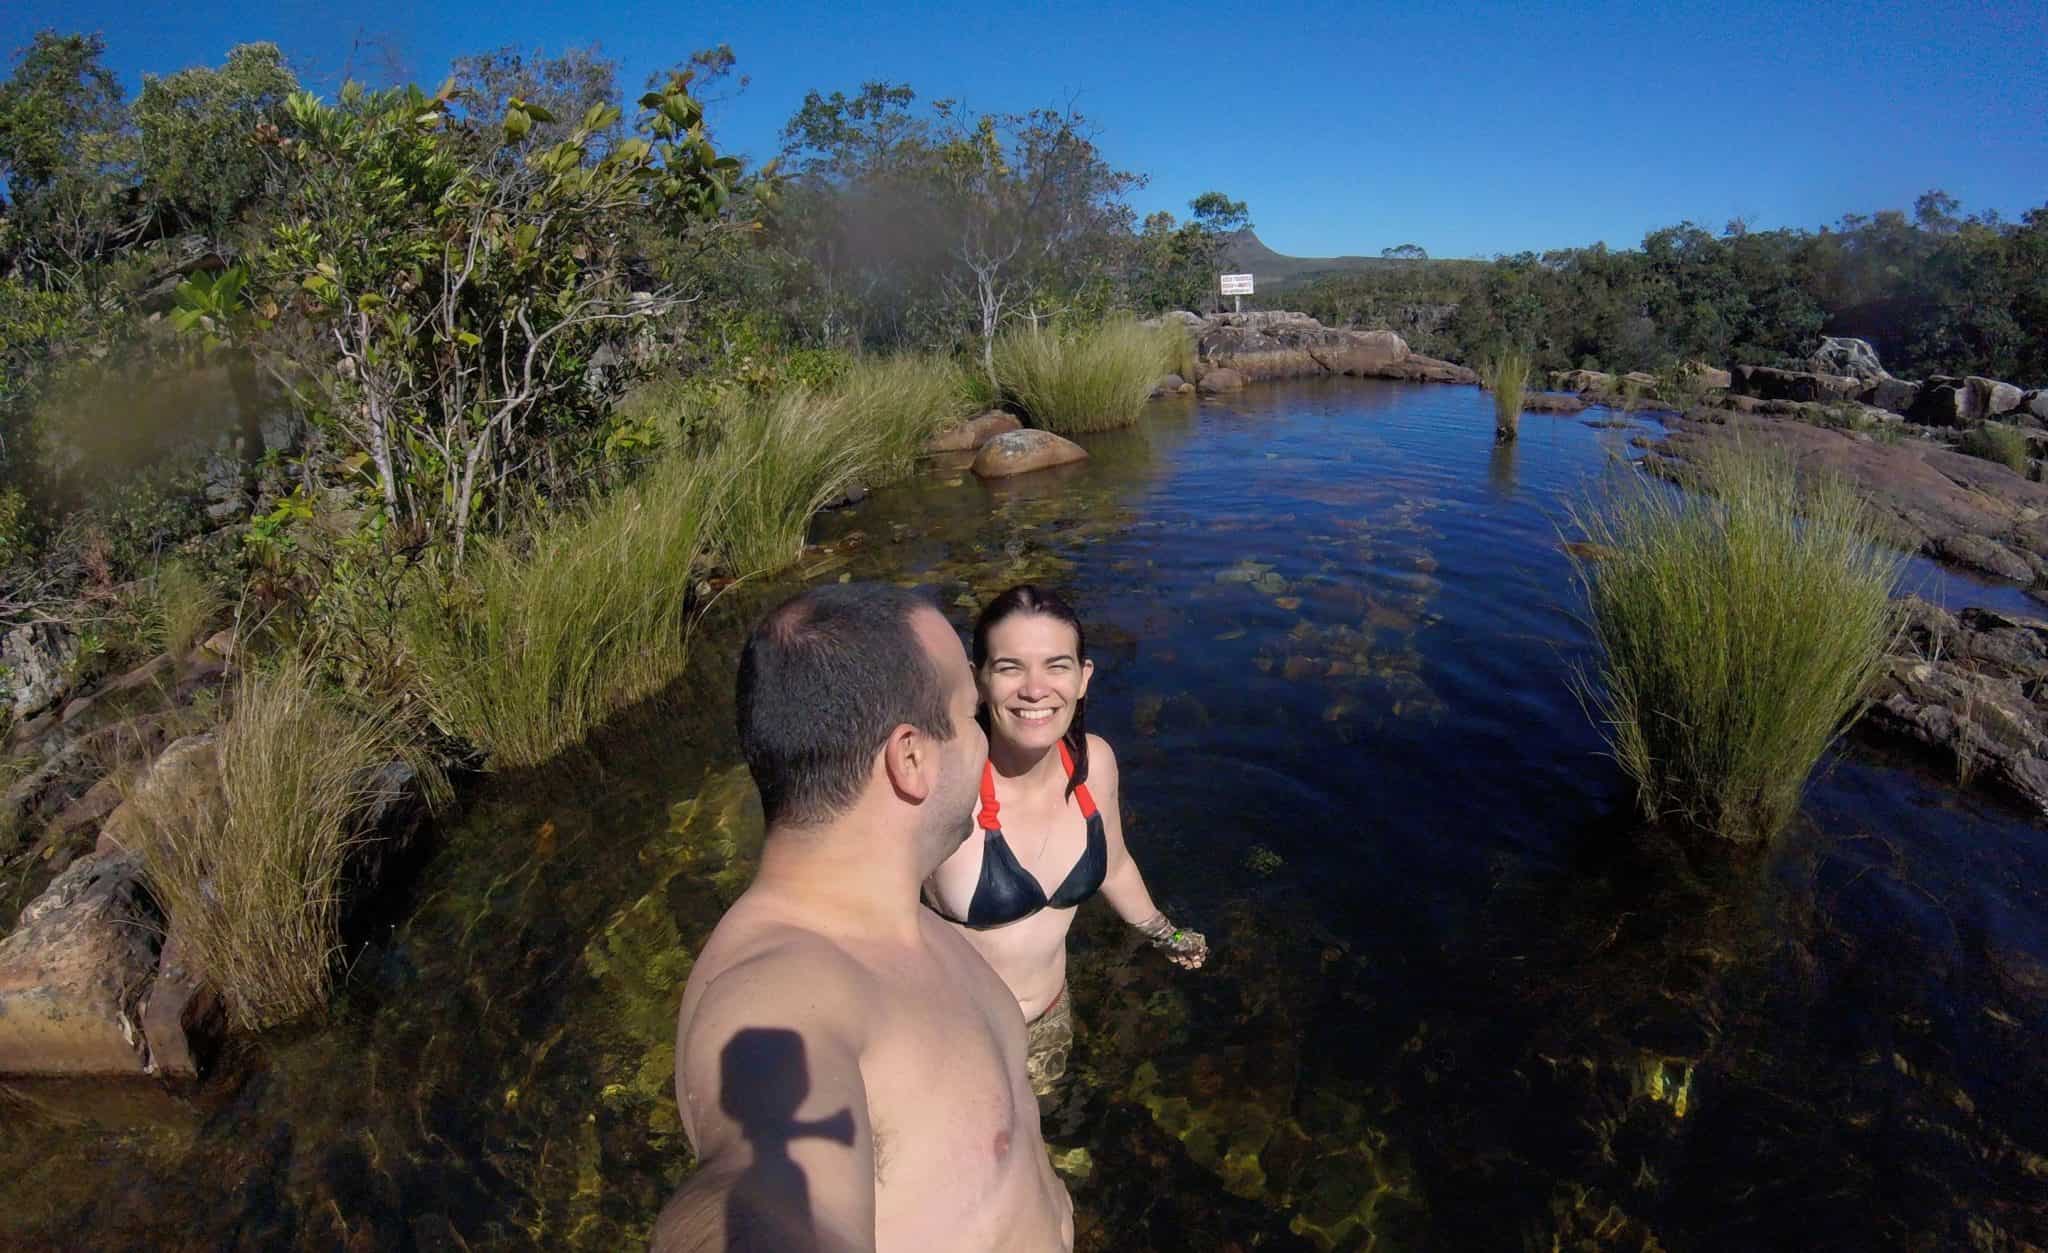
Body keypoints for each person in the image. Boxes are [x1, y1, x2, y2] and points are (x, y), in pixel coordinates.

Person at [654, 583, 1073, 1252]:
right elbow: (756, 1193)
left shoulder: (908, 919)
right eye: (970, 715)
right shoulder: (775, 996)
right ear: (911, 758)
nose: (988, 735)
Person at [925, 584, 1207, 1099]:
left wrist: (1165, 934)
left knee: (1047, 1125)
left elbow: (1115, 865)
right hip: (951, 1035)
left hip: (1051, 1013)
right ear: (977, 681)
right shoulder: (941, 787)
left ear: (1083, 679)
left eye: (1056, 666)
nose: (1036, 690)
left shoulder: (1093, 763)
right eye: (1010, 667)